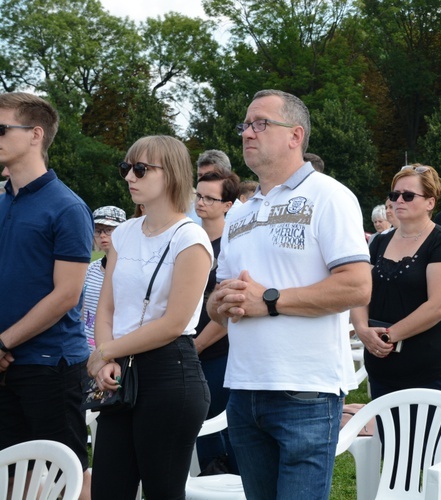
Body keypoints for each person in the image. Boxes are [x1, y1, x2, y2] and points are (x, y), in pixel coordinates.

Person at [207, 89, 371, 499]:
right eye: (245, 124)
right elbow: (220, 300)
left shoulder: (330, 196)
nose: (247, 132)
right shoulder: (241, 212)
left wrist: (270, 301)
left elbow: (356, 285)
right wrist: (219, 304)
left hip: (305, 389)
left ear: (296, 135)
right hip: (244, 388)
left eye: (260, 123)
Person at [86, 135, 213, 499]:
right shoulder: (124, 233)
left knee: (163, 491)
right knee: (108, 489)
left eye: (140, 169)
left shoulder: (190, 239)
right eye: (126, 168)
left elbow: (174, 322)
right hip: (120, 371)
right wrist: (105, 356)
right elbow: (105, 304)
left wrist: (105, 352)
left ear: (171, 173)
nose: (129, 177)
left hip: (170, 372)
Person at [351, 164, 441, 499]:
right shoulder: (378, 243)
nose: (398, 200)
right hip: (383, 363)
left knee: (435, 453)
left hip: (428, 366)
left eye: (408, 195)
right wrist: (362, 329)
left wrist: (388, 335)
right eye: (394, 195)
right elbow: (360, 291)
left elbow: (438, 306)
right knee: (395, 453)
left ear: (431, 201)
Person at [0, 92, 94, 499]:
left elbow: (67, 295)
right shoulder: (3, 201)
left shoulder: (67, 207)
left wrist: (3, 341)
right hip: (7, 364)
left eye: (2, 128)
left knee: (69, 472)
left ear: (35, 134)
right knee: (11, 475)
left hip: (50, 364)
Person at [192, 169, 241, 474]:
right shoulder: (188, 238)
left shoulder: (232, 246)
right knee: (199, 423)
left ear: (228, 204)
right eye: (198, 195)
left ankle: (234, 482)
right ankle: (209, 479)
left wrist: (196, 345)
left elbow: (227, 310)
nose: (202, 202)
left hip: (219, 350)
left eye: (210, 198)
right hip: (186, 345)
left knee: (223, 424)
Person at [82, 206, 127, 351]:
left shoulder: (130, 271)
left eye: (108, 230)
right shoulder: (91, 269)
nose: (102, 235)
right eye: (98, 230)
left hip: (116, 349)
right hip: (87, 350)